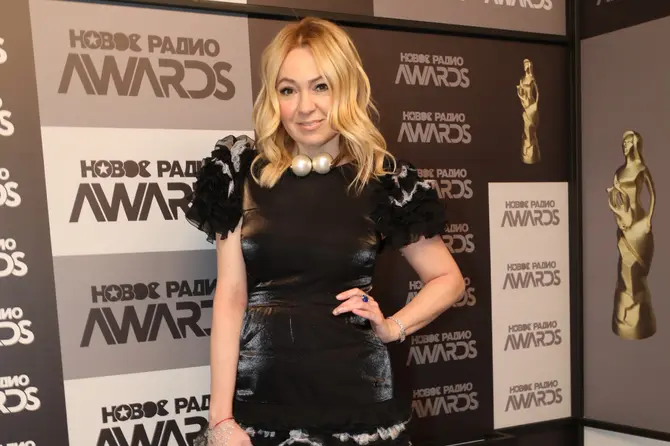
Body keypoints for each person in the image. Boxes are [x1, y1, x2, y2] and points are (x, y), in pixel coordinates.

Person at [187, 16, 465, 446]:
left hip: (358, 401)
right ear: (272, 96)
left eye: (321, 86)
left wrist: (393, 326)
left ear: (346, 88)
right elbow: (231, 296)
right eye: (288, 90)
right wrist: (221, 417)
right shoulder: (238, 173)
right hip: (262, 403)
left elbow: (448, 280)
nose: (305, 107)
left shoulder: (384, 181)